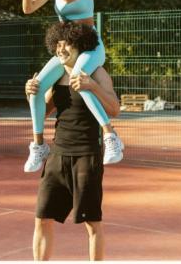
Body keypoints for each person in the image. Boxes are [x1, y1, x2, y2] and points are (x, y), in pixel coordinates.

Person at [19, 0, 124, 172]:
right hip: (66, 46)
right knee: (36, 86)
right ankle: (38, 145)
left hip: (88, 44)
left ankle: (111, 135)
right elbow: (28, 8)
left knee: (78, 76)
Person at [25, 21, 120, 261]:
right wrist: (30, 93)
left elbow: (114, 109)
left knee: (92, 224)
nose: (60, 50)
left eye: (65, 44)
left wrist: (92, 87)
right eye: (57, 44)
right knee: (42, 219)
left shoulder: (96, 72)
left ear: (79, 45)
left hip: (86, 156)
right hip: (57, 155)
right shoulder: (56, 77)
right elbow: (44, 110)